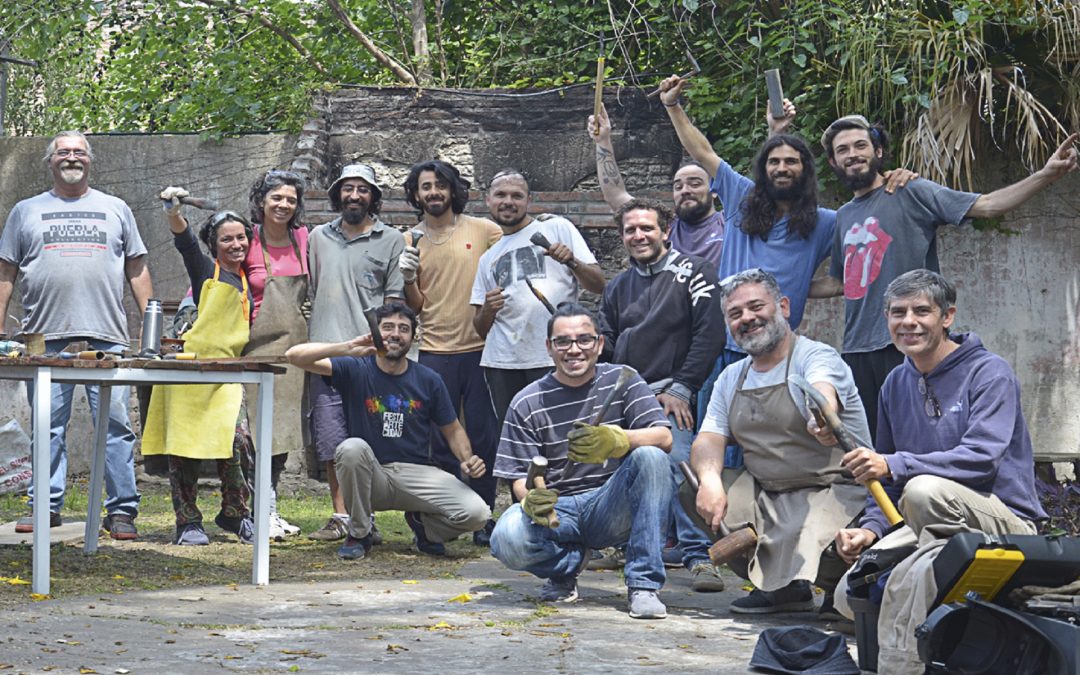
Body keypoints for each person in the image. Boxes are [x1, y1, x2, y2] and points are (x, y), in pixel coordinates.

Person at [831, 270, 1047, 673]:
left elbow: (982, 458)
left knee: (923, 492)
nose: (908, 321)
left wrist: (896, 466)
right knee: (850, 590)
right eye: (898, 312)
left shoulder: (989, 372)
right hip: (929, 523)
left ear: (947, 317)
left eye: (921, 311)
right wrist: (872, 529)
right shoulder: (895, 382)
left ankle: (901, 668)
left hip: (1006, 522)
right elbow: (888, 481)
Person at [816, 118, 1078, 438]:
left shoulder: (909, 190)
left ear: (878, 151)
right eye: (842, 150)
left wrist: (1046, 174)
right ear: (833, 161)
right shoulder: (844, 216)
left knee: (920, 440)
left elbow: (987, 206)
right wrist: (778, 291)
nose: (852, 154)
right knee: (873, 445)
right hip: (857, 349)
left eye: (860, 145)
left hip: (907, 340)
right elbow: (841, 283)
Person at [0, 131, 151, 540]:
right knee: (48, 424)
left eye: (79, 152)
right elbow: (6, 273)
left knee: (116, 424)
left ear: (90, 160)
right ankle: (45, 505)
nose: (72, 157)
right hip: (43, 338)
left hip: (108, 336)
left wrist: (151, 325)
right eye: (64, 152)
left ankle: (121, 511)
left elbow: (136, 268)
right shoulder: (25, 211)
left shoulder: (116, 208)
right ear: (50, 161)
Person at [691, 269, 869, 614]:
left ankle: (841, 586)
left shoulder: (815, 357)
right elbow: (709, 436)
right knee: (694, 486)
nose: (747, 318)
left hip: (834, 489)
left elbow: (822, 392)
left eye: (756, 306)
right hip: (769, 493)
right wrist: (710, 480)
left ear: (784, 306)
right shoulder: (732, 376)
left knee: (821, 536)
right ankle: (783, 592)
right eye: (735, 313)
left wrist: (823, 417)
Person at [490, 303, 674, 619]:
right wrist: (533, 499)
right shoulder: (526, 401)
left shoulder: (624, 380)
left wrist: (619, 439)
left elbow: (664, 438)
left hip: (610, 505)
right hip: (558, 511)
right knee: (506, 537)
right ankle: (566, 569)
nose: (574, 349)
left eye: (584, 340)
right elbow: (519, 476)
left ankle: (644, 585)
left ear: (599, 345)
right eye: (563, 341)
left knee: (651, 457)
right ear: (549, 348)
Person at [285, 302, 490, 560]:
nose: (395, 334)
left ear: (413, 337)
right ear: (376, 333)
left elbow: (453, 429)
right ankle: (360, 532)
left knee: (478, 514)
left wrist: (467, 460)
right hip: (371, 474)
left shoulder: (428, 379)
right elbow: (293, 356)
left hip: (417, 475)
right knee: (351, 448)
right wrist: (346, 348)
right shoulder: (355, 367)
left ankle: (424, 529)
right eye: (388, 327)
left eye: (404, 329)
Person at [598, 198, 726, 591]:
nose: (638, 236)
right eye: (630, 230)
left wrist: (682, 388)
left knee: (679, 466)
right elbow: (608, 343)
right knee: (606, 465)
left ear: (665, 231)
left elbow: (710, 334)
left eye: (646, 228)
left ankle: (700, 556)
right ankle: (613, 542)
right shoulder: (618, 286)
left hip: (672, 393)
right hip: (626, 396)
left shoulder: (696, 273)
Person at [143, 194, 257, 545]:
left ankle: (235, 514)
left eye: (241, 238)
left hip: (225, 376)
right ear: (214, 244)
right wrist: (173, 213)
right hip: (189, 374)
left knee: (236, 441)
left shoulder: (250, 283)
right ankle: (188, 522)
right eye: (227, 238)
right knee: (184, 449)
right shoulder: (207, 271)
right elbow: (186, 242)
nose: (235, 244)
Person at [400, 160, 503, 546]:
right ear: (415, 194)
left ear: (453, 190)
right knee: (439, 440)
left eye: (440, 185)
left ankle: (485, 515)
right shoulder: (411, 240)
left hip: (482, 349)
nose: (433, 193)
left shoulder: (483, 230)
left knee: (483, 436)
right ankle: (443, 518)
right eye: (426, 187)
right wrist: (409, 277)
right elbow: (416, 306)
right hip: (434, 351)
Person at [306, 164, 405, 542]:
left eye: (363, 190)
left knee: (374, 438)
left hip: (371, 359)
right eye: (348, 188)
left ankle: (369, 516)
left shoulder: (392, 240)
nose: (354, 196)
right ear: (337, 194)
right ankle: (341, 516)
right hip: (326, 355)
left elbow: (395, 302)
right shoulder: (317, 238)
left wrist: (389, 352)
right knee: (332, 439)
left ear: (373, 198)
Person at [470, 169, 605, 425]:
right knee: (514, 433)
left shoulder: (556, 227)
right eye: (500, 195)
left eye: (516, 196)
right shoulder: (488, 258)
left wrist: (572, 262)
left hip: (554, 353)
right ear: (487, 200)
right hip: (502, 362)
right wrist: (488, 309)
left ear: (528, 201)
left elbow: (599, 285)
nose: (508, 201)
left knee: (562, 429)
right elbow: (479, 329)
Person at [242, 169, 310, 541]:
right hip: (254, 347)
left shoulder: (304, 238)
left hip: (293, 352)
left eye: (291, 199)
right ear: (261, 201)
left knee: (280, 434)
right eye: (276, 198)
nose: (283, 205)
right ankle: (256, 512)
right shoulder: (247, 238)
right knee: (254, 435)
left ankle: (270, 511)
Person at [590, 103, 725, 265]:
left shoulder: (730, 224)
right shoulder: (665, 227)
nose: (685, 190)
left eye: (695, 184)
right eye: (678, 186)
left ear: (715, 190)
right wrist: (603, 141)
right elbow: (616, 195)